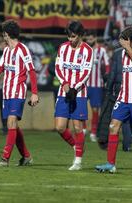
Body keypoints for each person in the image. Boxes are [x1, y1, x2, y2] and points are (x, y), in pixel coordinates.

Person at [95, 27, 132, 175]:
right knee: (113, 127)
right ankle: (110, 164)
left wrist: (128, 48)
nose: (122, 45)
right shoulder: (123, 54)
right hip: (124, 97)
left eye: (125, 42)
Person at [0, 19, 39, 166]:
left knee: (11, 122)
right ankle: (26, 156)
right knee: (13, 126)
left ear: (7, 34)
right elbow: (0, 67)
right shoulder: (7, 50)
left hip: (18, 92)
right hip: (6, 93)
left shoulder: (23, 50)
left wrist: (34, 93)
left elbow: (31, 71)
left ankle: (5, 157)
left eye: (4, 34)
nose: (3, 37)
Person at [54, 21, 93, 171]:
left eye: (73, 37)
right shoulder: (63, 48)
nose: (70, 40)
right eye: (69, 37)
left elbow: (86, 72)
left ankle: (78, 161)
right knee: (60, 127)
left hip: (79, 93)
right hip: (63, 91)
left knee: (78, 127)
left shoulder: (88, 51)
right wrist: (64, 83)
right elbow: (58, 67)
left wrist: (74, 88)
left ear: (80, 35)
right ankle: (77, 147)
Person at [85, 30, 110, 142]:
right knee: (81, 107)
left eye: (90, 39)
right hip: (84, 84)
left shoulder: (102, 51)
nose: (88, 41)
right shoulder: (83, 49)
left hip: (97, 85)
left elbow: (108, 66)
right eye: (87, 39)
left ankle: (94, 132)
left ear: (95, 38)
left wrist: (107, 79)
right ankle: (83, 130)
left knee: (95, 109)